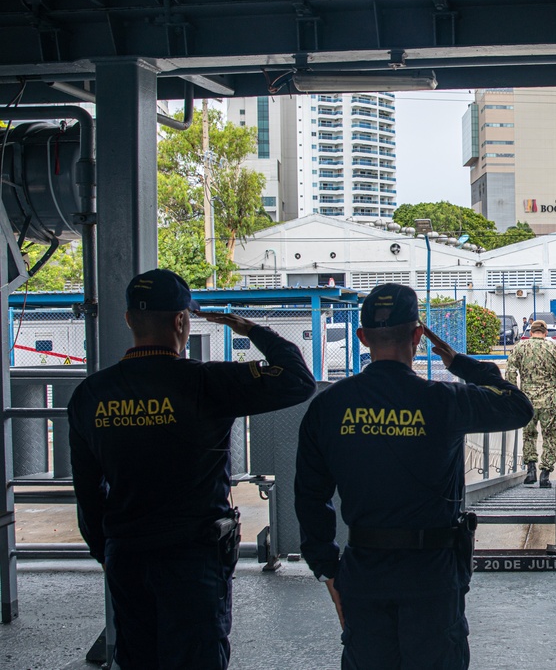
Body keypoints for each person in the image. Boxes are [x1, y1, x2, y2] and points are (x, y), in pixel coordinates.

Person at [68, 268, 316, 670]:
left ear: (129, 319)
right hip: (194, 559)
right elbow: (297, 380)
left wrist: (109, 549)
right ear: (182, 321)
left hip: (127, 553)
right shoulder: (207, 382)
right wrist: (251, 328)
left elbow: (88, 490)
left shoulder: (90, 395)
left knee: (137, 657)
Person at [294, 283, 532, 670]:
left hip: (364, 572)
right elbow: (518, 407)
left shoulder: (329, 407)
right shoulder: (445, 401)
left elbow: (309, 495)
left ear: (362, 337)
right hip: (433, 575)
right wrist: (461, 363)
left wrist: (327, 568)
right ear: (418, 336)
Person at [505, 319, 556, 487]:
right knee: (549, 438)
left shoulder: (519, 348)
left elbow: (510, 371)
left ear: (531, 332)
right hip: (550, 400)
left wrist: (513, 394)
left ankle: (531, 470)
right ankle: (545, 475)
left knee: (529, 436)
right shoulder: (555, 348)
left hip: (527, 401)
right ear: (546, 333)